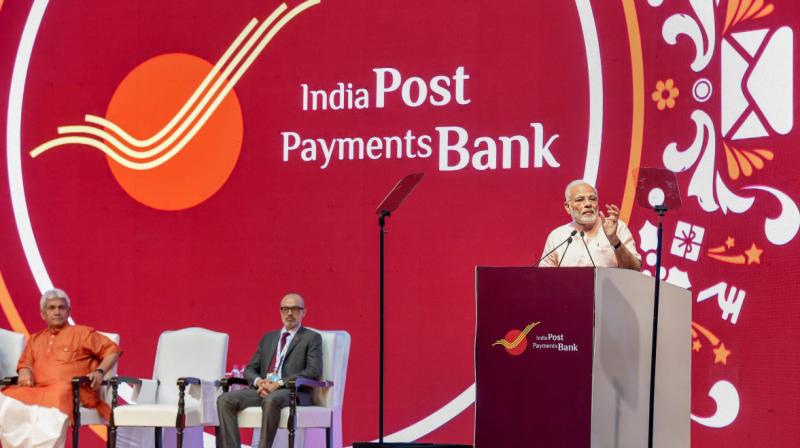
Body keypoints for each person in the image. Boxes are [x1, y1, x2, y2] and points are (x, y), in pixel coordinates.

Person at [0, 288, 121, 448]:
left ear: (68, 312)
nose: (57, 312)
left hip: (72, 390)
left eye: (61, 307)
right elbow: (25, 363)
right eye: (51, 308)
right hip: (39, 390)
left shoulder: (82, 333)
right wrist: (25, 371)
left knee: (60, 391)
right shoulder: (35, 339)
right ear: (43, 314)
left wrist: (100, 372)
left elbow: (112, 351)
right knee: (8, 396)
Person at [217, 293, 323, 448]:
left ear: (303, 312)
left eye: (294, 309)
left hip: (292, 391)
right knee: (224, 400)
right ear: (280, 312)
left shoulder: (312, 337)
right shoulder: (269, 338)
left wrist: (278, 383)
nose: (289, 313)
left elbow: (314, 370)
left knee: (271, 399)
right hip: (264, 389)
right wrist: (259, 382)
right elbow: (250, 368)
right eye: (285, 309)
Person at [539, 180, 642, 270]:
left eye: (592, 199)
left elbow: (634, 268)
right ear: (567, 206)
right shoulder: (557, 236)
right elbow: (544, 277)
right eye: (580, 200)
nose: (588, 204)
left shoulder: (617, 227)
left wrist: (614, 240)